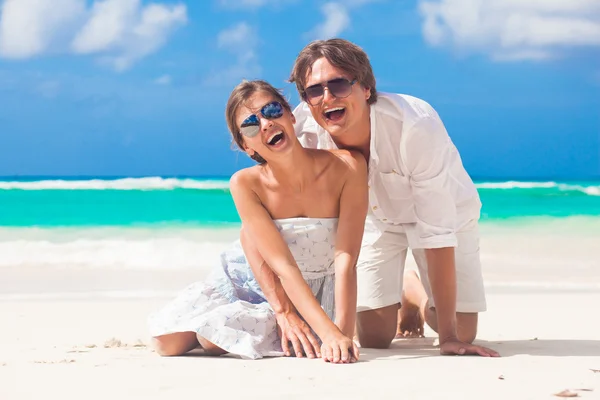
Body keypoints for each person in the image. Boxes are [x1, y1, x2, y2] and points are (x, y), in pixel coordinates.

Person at [246, 39, 500, 357]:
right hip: (377, 221)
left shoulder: (415, 125)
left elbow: (437, 231)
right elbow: (270, 194)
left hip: (447, 216)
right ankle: (407, 293)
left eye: (338, 84)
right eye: (314, 91)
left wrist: (448, 337)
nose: (327, 98)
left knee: (460, 329)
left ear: (366, 87)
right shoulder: (303, 128)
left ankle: (419, 296)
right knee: (375, 336)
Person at [147, 80, 367, 363]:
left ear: (291, 115)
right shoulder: (245, 183)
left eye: (272, 110)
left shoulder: (349, 165)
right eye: (250, 125)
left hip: (320, 287)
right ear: (245, 145)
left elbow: (346, 257)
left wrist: (341, 333)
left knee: (211, 340)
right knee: (166, 343)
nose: (265, 124)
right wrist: (286, 311)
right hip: (263, 283)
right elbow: (284, 268)